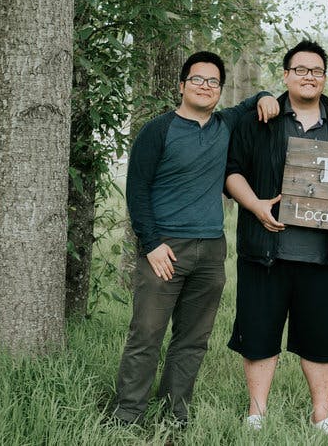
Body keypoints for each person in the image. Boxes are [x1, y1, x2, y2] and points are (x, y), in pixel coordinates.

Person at [109, 51, 278, 426]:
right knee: (147, 335)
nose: (205, 87)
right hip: (166, 248)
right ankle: (128, 416)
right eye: (197, 80)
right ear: (182, 85)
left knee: (192, 339)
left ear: (220, 90)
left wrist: (266, 94)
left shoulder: (224, 124)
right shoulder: (158, 130)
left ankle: (175, 413)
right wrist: (151, 244)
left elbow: (254, 102)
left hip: (211, 250)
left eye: (213, 82)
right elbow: (137, 190)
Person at [225, 39, 328, 434]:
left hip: (323, 255)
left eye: (316, 71)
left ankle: (321, 412)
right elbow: (233, 169)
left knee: (321, 339)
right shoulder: (259, 118)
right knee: (258, 334)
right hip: (265, 249)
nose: (309, 77)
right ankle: (256, 413)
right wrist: (255, 206)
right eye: (300, 70)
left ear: (325, 78)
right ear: (285, 75)